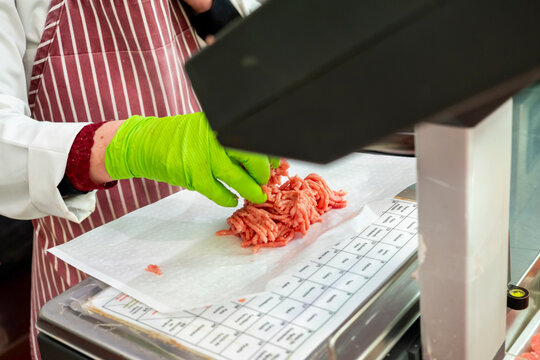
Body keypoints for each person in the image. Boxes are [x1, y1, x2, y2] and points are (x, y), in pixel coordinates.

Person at [0, 0, 269, 358]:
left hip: (228, 255)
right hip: (93, 291)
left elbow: (266, 34)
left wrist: (214, 8)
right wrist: (125, 147)